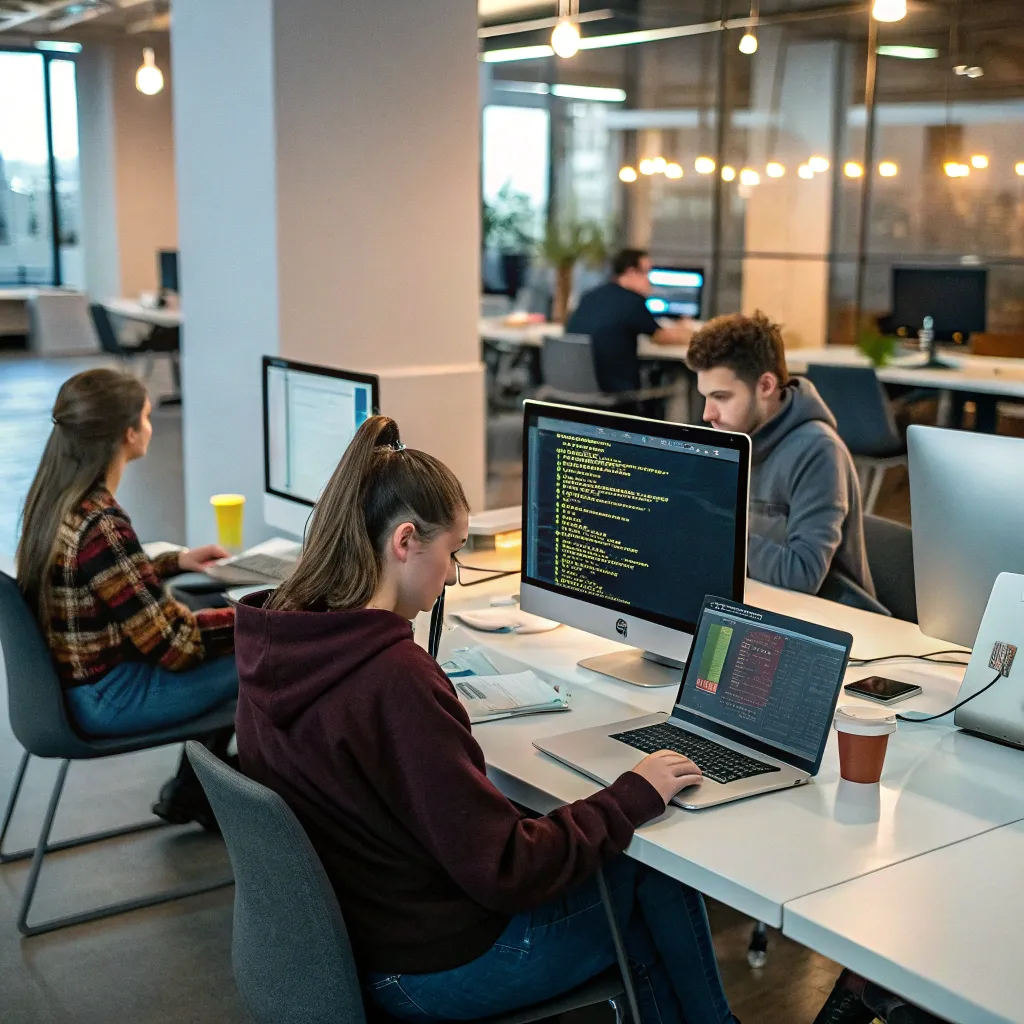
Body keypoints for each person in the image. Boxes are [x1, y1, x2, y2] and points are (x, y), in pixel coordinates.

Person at [234, 415, 737, 1024]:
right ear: (404, 541)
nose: (452, 575)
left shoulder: (281, 639)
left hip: (356, 939)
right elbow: (508, 869)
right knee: (648, 872)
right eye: (450, 553)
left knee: (605, 856)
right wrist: (631, 795)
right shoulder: (392, 679)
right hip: (431, 969)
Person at [16, 368, 238, 829]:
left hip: (72, 689)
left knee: (212, 621)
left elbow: (93, 579)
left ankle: (192, 793)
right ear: (128, 433)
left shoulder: (57, 500)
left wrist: (175, 562)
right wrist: (263, 620)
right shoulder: (102, 522)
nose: (151, 427)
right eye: (148, 417)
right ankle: (235, 804)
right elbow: (175, 647)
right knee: (267, 658)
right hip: (108, 700)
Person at [685, 312, 874, 599]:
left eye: (721, 397)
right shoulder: (733, 435)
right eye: (705, 396)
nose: (707, 414)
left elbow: (802, 576)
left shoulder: (818, 451)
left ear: (766, 386)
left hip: (828, 621)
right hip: (760, 599)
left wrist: (717, 532)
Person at [565, 248, 695, 395]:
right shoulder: (632, 301)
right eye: (647, 273)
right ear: (631, 272)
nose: (650, 281)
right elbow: (662, 337)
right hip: (614, 392)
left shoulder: (590, 296)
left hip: (573, 390)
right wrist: (694, 334)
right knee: (676, 385)